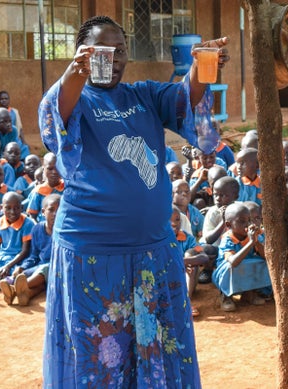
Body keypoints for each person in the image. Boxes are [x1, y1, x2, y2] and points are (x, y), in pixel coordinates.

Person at [38, 15, 228, 386]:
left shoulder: (142, 95)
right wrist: (75, 72)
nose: (114, 59)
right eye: (102, 51)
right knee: (98, 357)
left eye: (120, 50)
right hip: (92, 256)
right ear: (83, 53)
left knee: (160, 348)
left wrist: (202, 68)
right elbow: (53, 119)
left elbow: (184, 97)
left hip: (152, 253)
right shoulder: (74, 98)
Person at [0, 194, 59, 306]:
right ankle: (25, 293)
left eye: (59, 210)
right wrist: (22, 267)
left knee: (44, 270)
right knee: (26, 273)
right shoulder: (37, 229)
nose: (55, 214)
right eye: (51, 210)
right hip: (41, 268)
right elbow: (34, 255)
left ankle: (14, 288)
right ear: (43, 212)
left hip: (58, 270)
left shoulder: (65, 232)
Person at [212, 203, 271, 312]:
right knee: (231, 268)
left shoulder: (253, 236)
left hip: (243, 269)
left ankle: (249, 292)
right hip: (227, 272)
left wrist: (256, 241)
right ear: (229, 225)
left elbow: (266, 257)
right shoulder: (227, 239)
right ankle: (226, 296)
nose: (248, 224)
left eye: (249, 220)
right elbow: (233, 262)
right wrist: (251, 243)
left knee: (262, 263)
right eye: (242, 221)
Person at [171, 206, 214, 317]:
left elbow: (204, 256)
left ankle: (187, 303)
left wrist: (185, 261)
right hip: (166, 278)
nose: (174, 223)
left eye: (177, 219)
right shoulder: (159, 239)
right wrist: (179, 263)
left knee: (191, 257)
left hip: (187, 281)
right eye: (168, 219)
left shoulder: (188, 238)